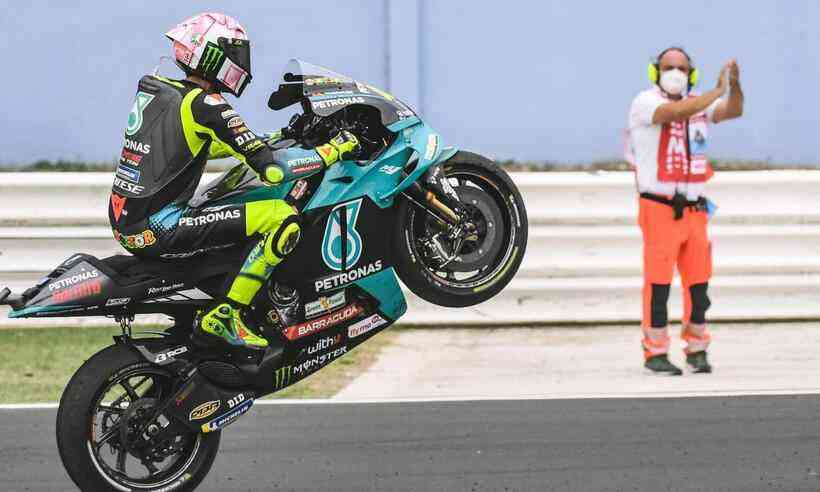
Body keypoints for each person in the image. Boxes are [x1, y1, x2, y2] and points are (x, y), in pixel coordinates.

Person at [110, 12, 360, 350]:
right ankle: (228, 313)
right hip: (160, 226)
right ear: (209, 53)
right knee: (281, 218)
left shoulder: (160, 93)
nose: (240, 61)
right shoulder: (207, 104)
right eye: (234, 52)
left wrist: (267, 139)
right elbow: (274, 171)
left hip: (128, 222)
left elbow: (197, 148)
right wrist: (334, 149)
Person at [626, 46, 744, 375]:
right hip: (659, 206)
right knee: (659, 285)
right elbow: (673, 114)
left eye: (681, 67)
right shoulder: (645, 102)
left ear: (691, 74)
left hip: (695, 210)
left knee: (698, 285)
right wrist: (714, 92)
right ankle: (655, 352)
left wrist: (733, 87)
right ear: (656, 72)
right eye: (668, 67)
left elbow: (733, 110)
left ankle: (697, 348)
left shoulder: (701, 106)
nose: (675, 73)